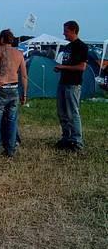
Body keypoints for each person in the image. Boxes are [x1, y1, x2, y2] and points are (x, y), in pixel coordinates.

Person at [0, 29, 28, 157]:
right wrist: (24, 94)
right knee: (12, 120)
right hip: (14, 88)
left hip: (1, 88)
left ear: (2, 39)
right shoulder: (19, 53)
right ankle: (10, 149)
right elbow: (24, 76)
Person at [54, 21, 88, 151]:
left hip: (73, 84)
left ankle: (77, 141)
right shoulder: (68, 47)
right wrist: (61, 69)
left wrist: (64, 67)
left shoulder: (81, 47)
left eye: (66, 31)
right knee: (62, 112)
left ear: (73, 30)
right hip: (63, 82)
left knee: (73, 112)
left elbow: (82, 66)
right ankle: (66, 137)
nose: (64, 33)